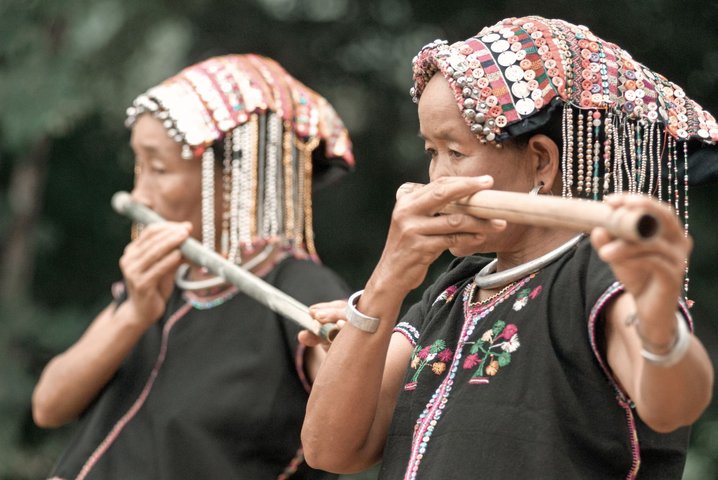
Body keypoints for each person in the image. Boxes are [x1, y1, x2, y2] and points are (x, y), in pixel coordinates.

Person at [300, 15, 718, 479]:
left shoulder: (599, 272)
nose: (437, 179)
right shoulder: (451, 294)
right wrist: (384, 286)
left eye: (455, 152)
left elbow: (673, 404)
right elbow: (332, 450)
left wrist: (659, 324)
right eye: (430, 153)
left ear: (540, 162)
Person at [32, 54, 354, 479]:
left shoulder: (302, 287)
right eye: (138, 166)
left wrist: (354, 350)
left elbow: (351, 428)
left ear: (238, 174)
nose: (138, 195)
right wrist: (133, 315)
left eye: (159, 169)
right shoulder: (161, 281)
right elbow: (49, 406)